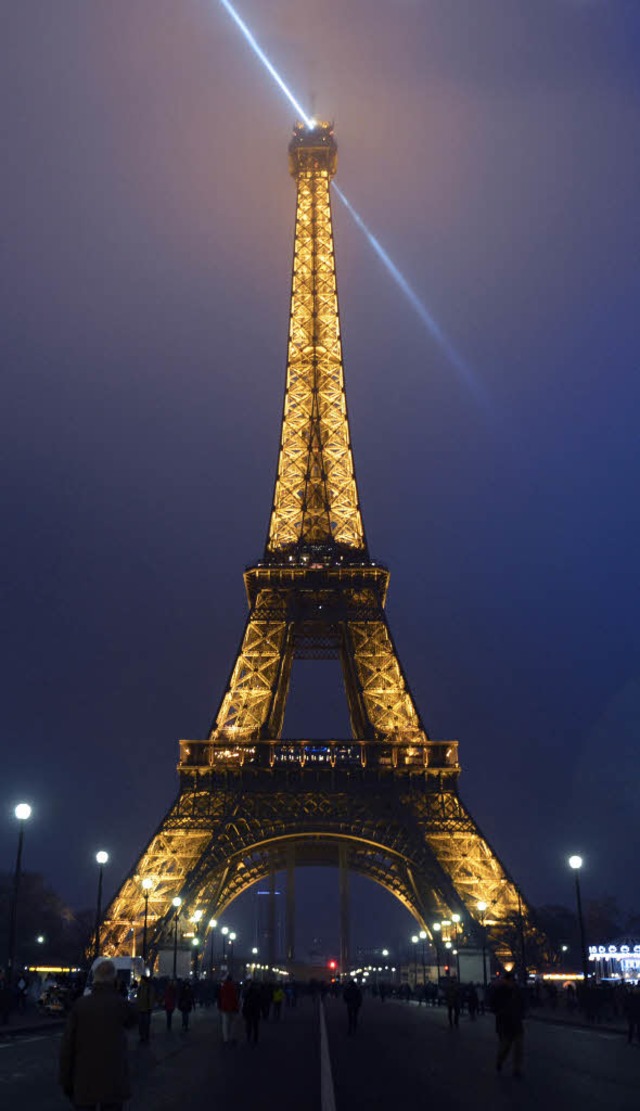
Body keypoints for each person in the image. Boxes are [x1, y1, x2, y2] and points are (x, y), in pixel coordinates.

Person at [59, 958, 137, 1110]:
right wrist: (118, 992)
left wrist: (65, 1080)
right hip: (113, 1079)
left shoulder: (80, 1005)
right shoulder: (120, 1005)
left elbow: (67, 1046)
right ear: (114, 979)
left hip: (85, 1078)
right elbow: (133, 1020)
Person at [491, 971, 525, 1077]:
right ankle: (502, 1061)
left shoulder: (502, 990)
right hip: (507, 1022)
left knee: (517, 1046)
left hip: (510, 1021)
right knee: (507, 1046)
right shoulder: (505, 991)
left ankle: (516, 1068)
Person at [218, 974, 239, 1045]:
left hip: (225, 1007)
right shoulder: (233, 987)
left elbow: (220, 997)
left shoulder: (223, 987)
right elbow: (235, 998)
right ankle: (232, 1037)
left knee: (225, 1024)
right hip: (233, 1007)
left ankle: (225, 1038)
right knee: (233, 1023)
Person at [242, 979, 261, 1045]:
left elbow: (244, 1001)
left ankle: (248, 1037)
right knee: (255, 1025)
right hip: (255, 1010)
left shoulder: (247, 991)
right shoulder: (258, 992)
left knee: (248, 1024)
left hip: (248, 1010)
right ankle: (255, 1038)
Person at [136, 974, 154, 1044]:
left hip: (146, 1009)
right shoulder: (140, 988)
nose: (140, 981)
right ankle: (142, 1036)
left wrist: (150, 1008)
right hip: (141, 1009)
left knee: (146, 1024)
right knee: (141, 1024)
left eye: (141, 980)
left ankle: (145, 1036)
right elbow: (138, 998)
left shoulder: (149, 988)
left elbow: (151, 998)